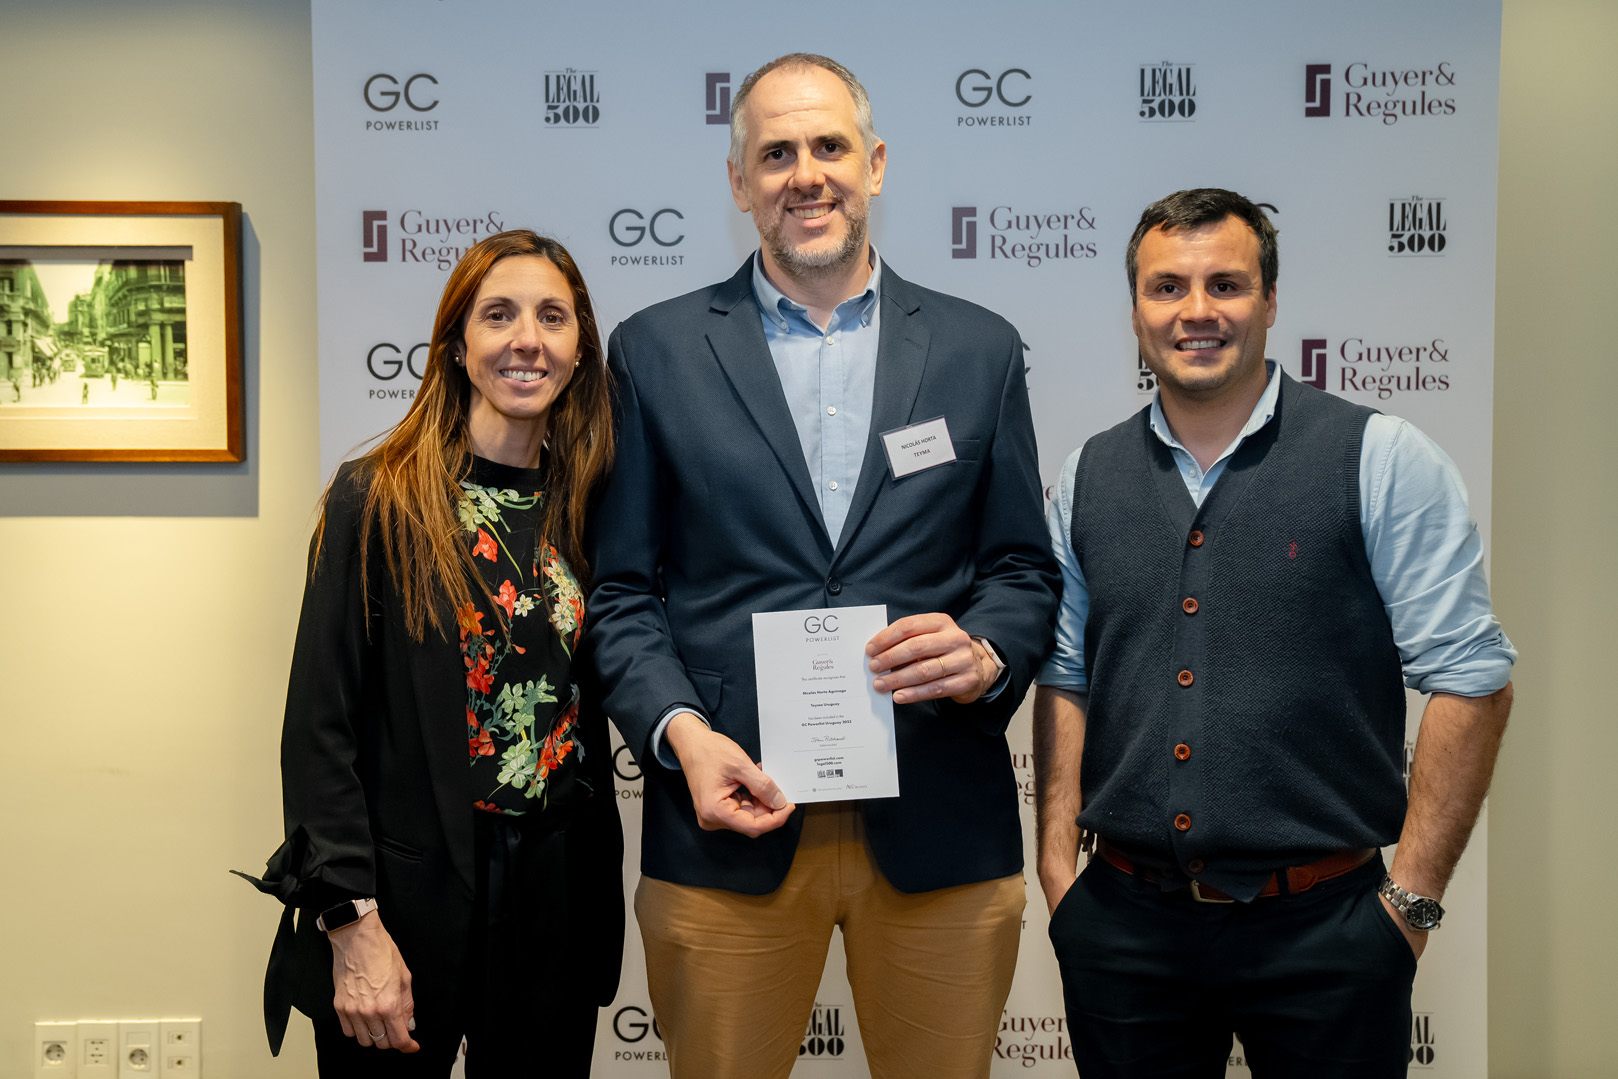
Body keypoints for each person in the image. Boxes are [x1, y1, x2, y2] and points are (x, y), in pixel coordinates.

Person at [587, 52, 1058, 1079]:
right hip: (728, 828)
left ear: (874, 164)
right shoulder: (655, 351)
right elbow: (621, 593)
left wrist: (985, 653)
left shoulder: (979, 348)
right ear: (739, 182)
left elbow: (1023, 567)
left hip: (939, 816)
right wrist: (681, 734)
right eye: (776, 154)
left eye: (829, 146)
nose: (806, 175)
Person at [1032, 188, 1516, 1078]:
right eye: (1167, 287)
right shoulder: (1086, 475)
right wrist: (1060, 873)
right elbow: (1065, 675)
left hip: (1328, 931)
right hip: (1125, 929)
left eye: (1226, 284)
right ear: (1135, 309)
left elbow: (1473, 677)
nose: (1197, 310)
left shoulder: (1381, 457)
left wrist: (1407, 906)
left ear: (1271, 300)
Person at [238, 230, 623, 1077]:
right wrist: (351, 922)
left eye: (553, 317)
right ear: (456, 345)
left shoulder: (593, 507)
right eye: (500, 315)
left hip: (554, 900)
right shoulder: (378, 498)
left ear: (580, 349)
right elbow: (320, 730)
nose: (528, 339)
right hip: (403, 903)